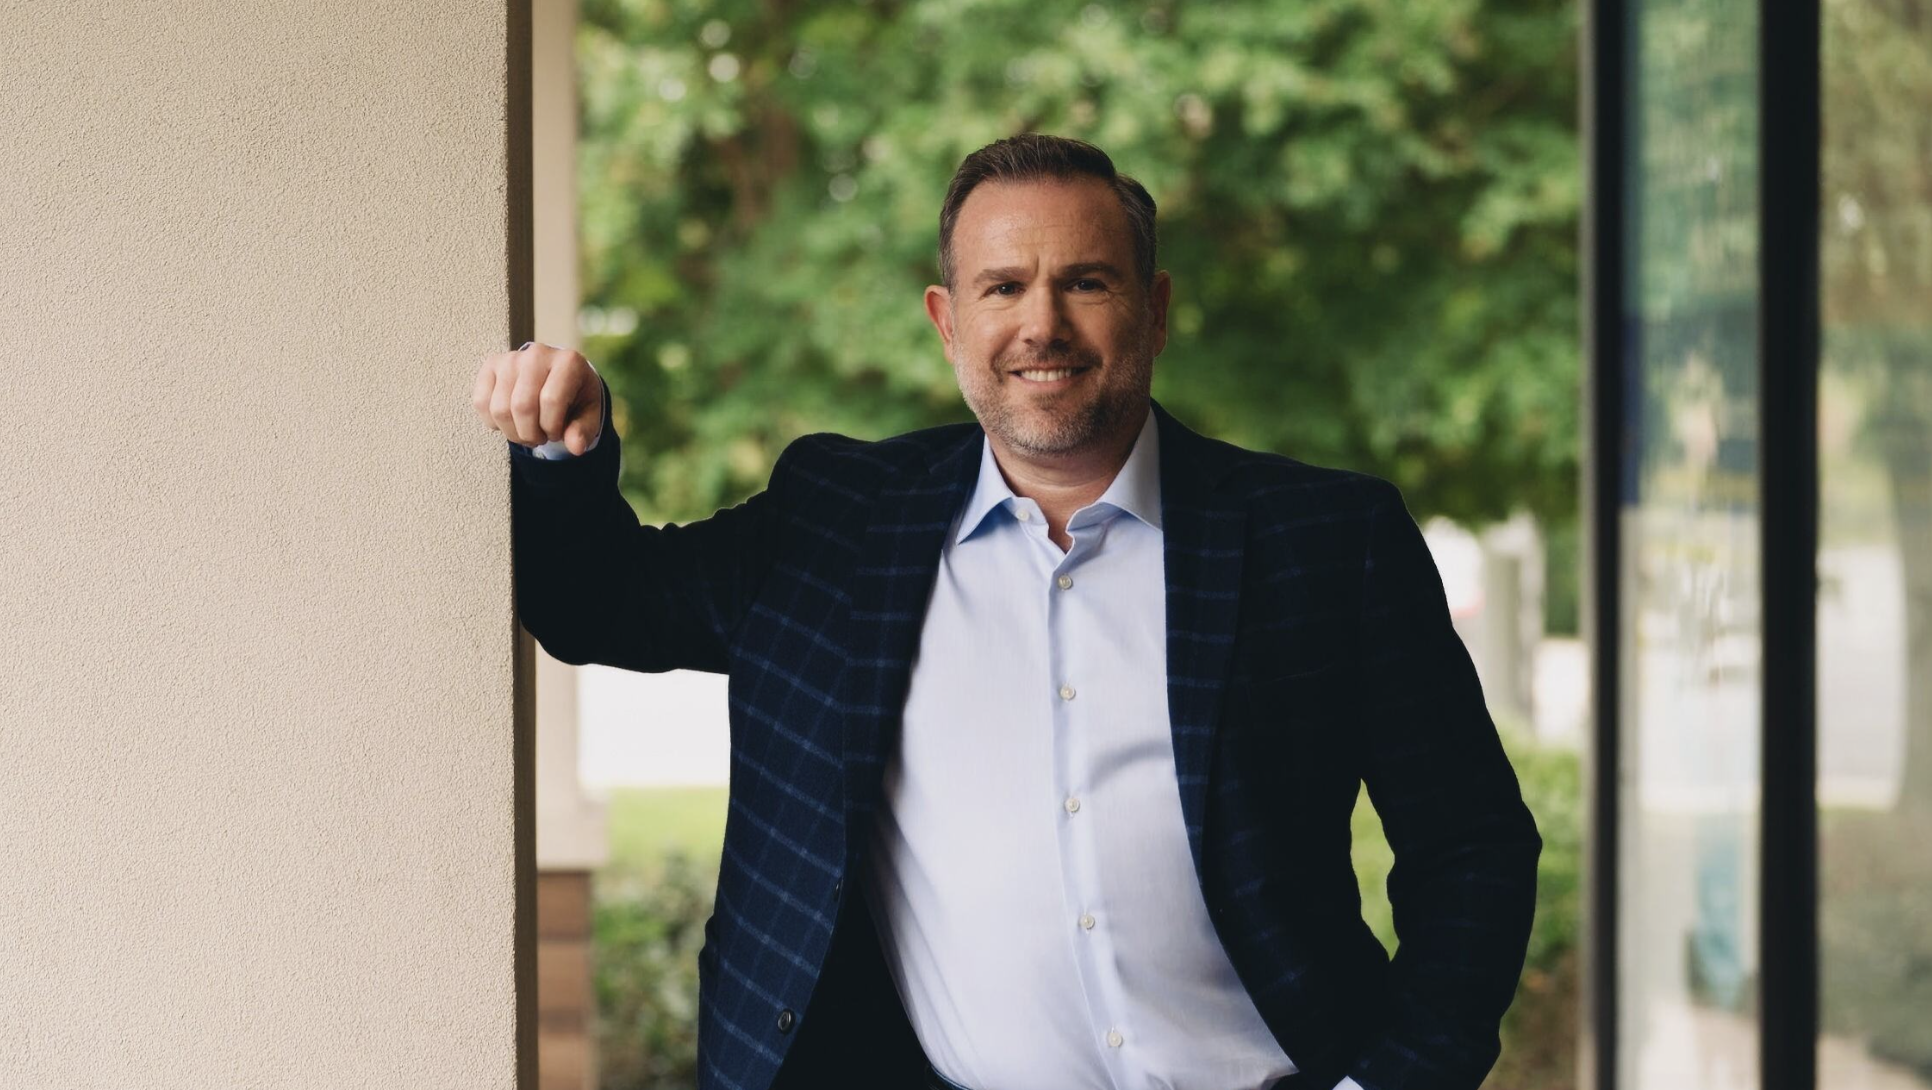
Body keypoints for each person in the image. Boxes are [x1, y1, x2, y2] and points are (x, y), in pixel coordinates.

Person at [476, 134, 1541, 1090]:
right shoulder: (835, 527)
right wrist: (558, 446)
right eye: (1003, 287)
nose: (1043, 323)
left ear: (1156, 310)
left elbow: (1472, 848)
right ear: (948, 321)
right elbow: (599, 605)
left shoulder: (1325, 542)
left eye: (1086, 282)